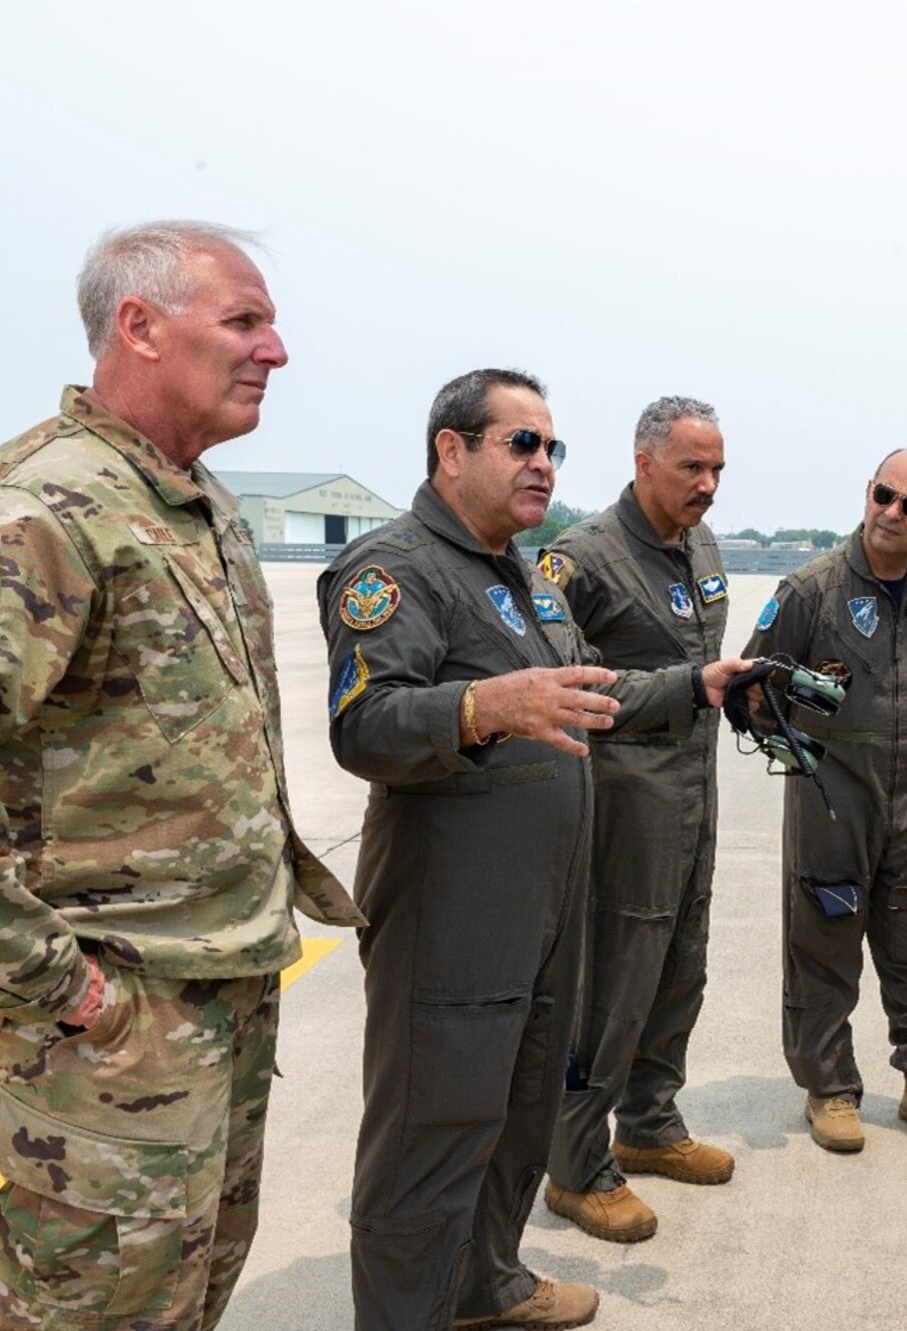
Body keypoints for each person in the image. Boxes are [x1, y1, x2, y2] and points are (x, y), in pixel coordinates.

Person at [0, 220, 363, 1329]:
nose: (274, 349)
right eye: (244, 320)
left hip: (217, 995)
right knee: (95, 1308)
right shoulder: (30, 509)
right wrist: (56, 988)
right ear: (138, 325)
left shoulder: (194, 502)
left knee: (180, 1296)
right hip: (112, 1019)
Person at [320, 368, 747, 1330]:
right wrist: (478, 706)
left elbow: (582, 699)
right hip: (455, 912)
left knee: (516, 1116)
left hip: (547, 907)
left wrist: (697, 683)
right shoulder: (397, 570)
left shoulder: (524, 571)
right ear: (451, 450)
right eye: (523, 443)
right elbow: (366, 725)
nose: (545, 464)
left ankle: (486, 1284)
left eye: (554, 448)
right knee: (432, 1130)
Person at [741, 449, 907, 1154]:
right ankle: (830, 1088)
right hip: (831, 786)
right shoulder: (809, 589)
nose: (891, 512)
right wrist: (807, 758)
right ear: (868, 491)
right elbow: (756, 692)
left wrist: (902, 733)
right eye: (885, 493)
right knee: (825, 932)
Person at [538, 397, 733, 1243]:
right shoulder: (577, 561)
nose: (709, 485)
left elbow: (700, 665)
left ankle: (651, 1124)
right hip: (623, 802)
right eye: (692, 467)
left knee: (679, 965)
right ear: (643, 460)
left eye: (718, 468)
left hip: (695, 792)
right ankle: (575, 1166)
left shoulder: (701, 544)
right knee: (612, 983)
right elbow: (569, 686)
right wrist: (690, 687)